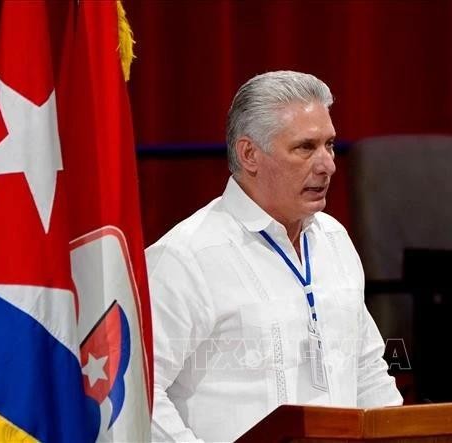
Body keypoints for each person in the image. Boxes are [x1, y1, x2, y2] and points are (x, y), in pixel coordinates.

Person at [146, 71, 403, 442]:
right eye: (305, 147)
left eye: (329, 145)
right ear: (249, 154)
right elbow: (139, 392)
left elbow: (366, 369)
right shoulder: (185, 257)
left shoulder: (334, 239)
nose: (327, 164)